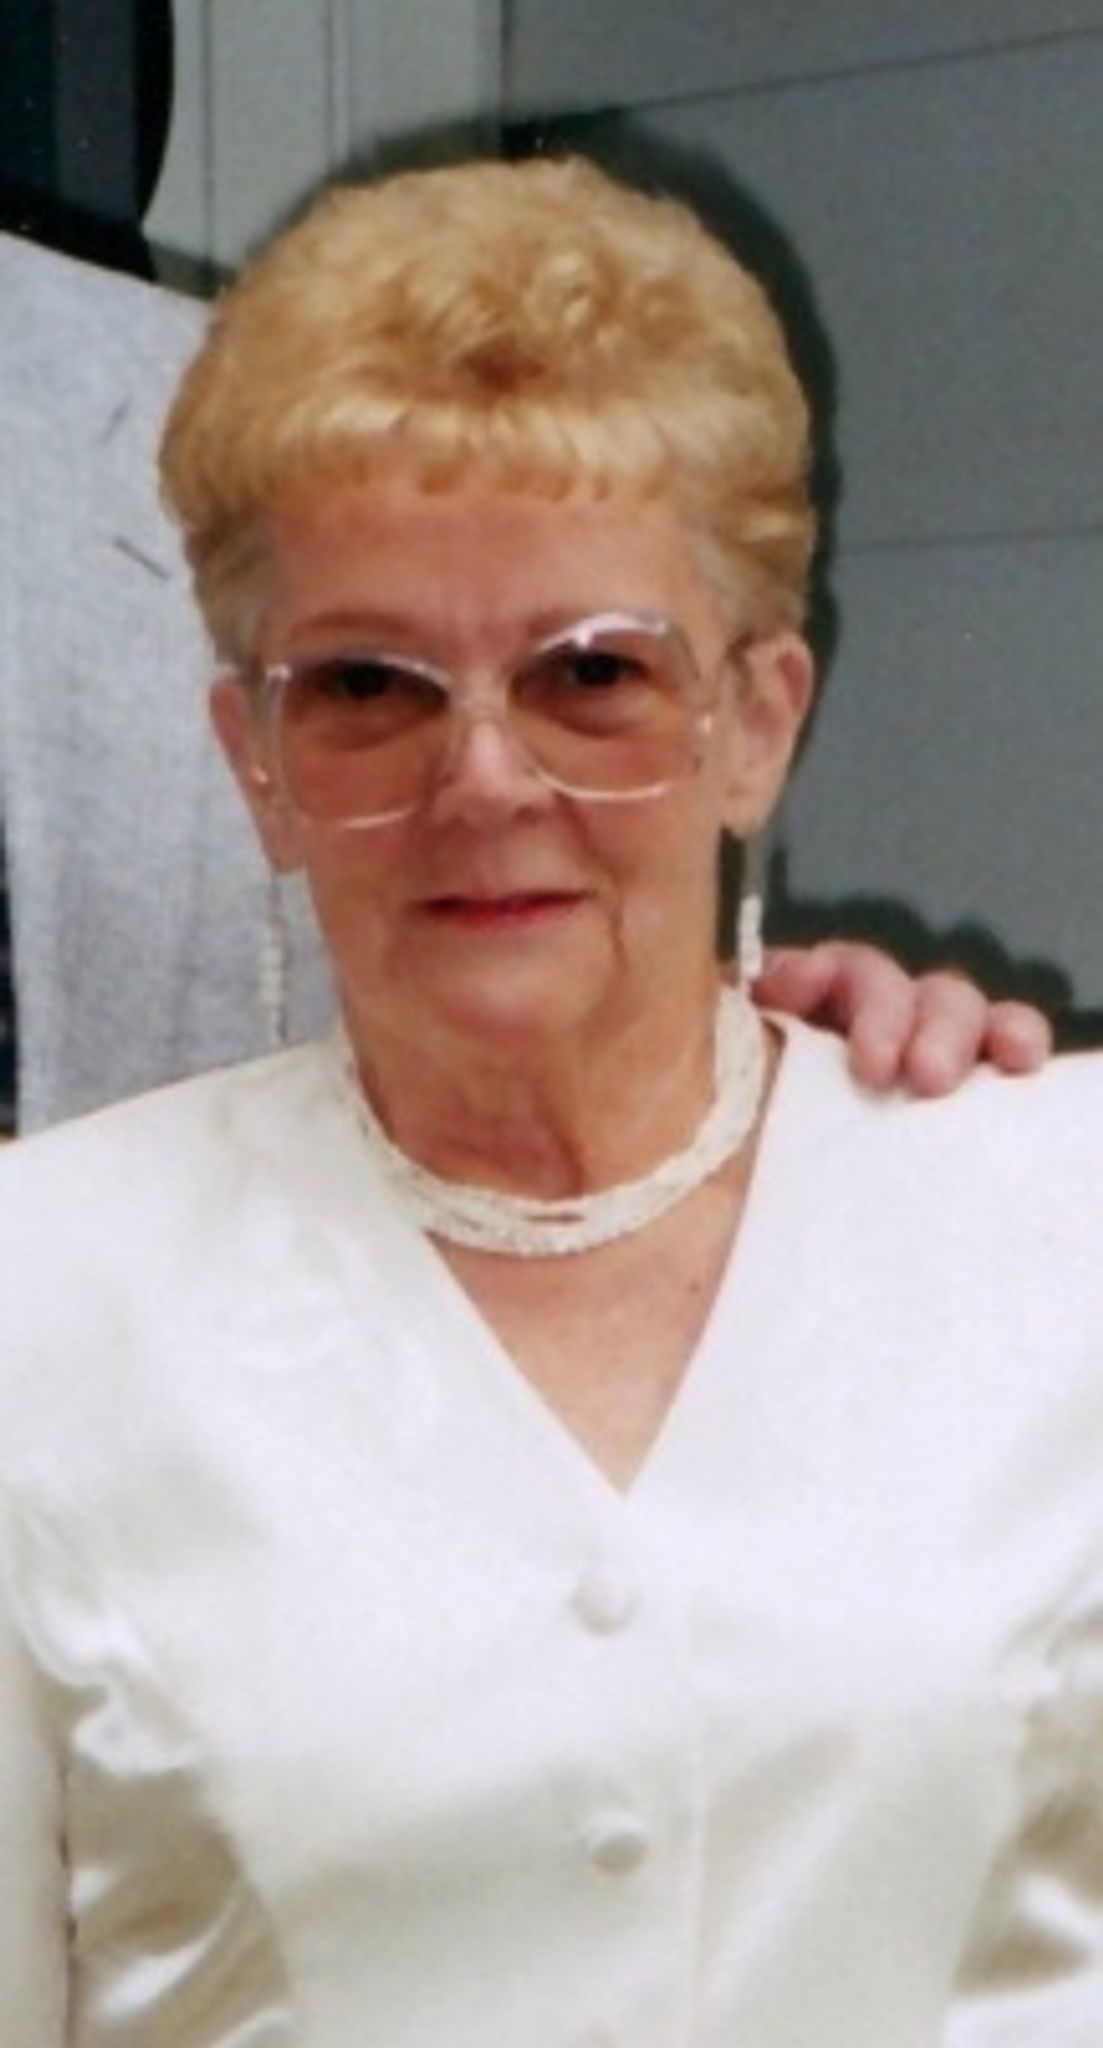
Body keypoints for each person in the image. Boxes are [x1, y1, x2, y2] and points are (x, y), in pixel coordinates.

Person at [0, 154, 1096, 2047]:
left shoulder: (1058, 1217)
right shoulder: (40, 1302)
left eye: (593, 674)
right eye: (370, 686)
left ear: (757, 720)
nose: (484, 780)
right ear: (256, 762)